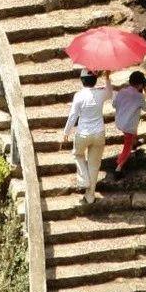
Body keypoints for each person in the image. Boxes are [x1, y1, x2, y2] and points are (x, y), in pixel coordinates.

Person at [62, 68, 112, 205]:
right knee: (94, 165)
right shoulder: (101, 94)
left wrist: (66, 132)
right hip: (99, 133)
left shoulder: (78, 96)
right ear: (95, 80)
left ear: (82, 80)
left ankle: (83, 179)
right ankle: (90, 197)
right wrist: (107, 76)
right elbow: (110, 92)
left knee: (77, 154)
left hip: (83, 133)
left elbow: (73, 116)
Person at [112, 71, 146, 177]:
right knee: (127, 147)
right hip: (129, 126)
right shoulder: (139, 97)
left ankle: (135, 141)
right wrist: (144, 95)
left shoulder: (121, 91)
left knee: (132, 130)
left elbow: (114, 104)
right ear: (141, 85)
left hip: (119, 122)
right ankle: (118, 167)